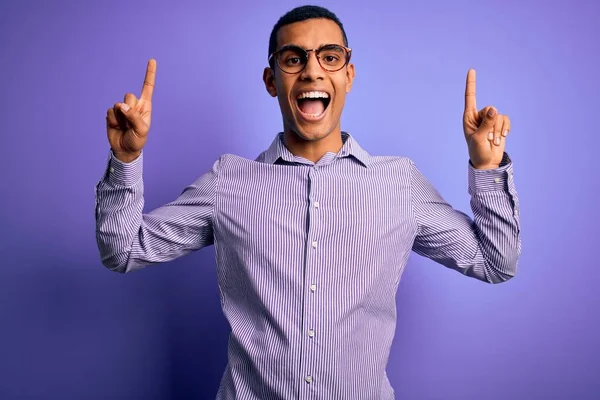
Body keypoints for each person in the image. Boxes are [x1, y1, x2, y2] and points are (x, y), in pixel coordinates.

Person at [95, 5, 521, 399]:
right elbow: (123, 250)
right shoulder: (229, 181)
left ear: (349, 75)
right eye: (294, 58)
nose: (313, 72)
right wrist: (126, 158)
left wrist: (488, 167)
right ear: (271, 80)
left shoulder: (398, 183)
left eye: (329, 57)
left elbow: (496, 262)